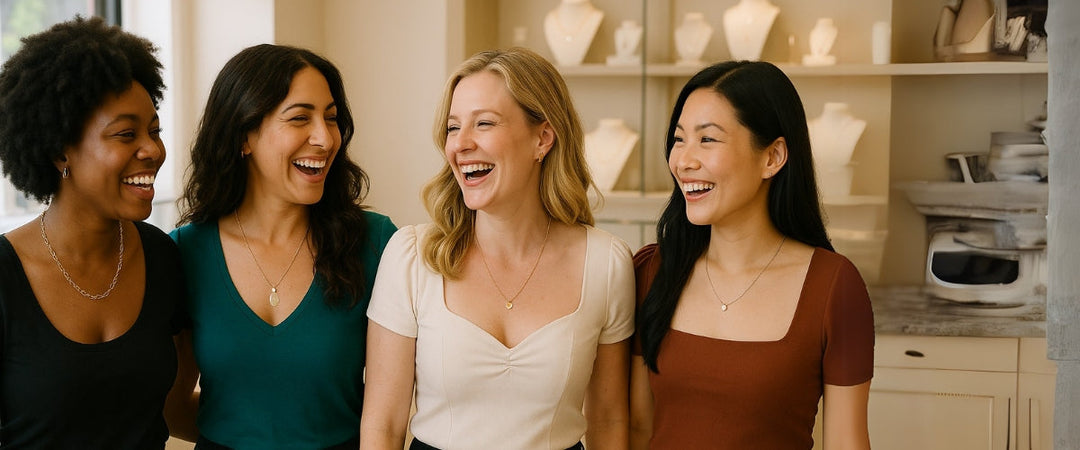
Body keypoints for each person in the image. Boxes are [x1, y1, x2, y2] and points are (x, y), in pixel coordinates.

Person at [360, 47, 634, 450]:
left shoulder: (606, 263)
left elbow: (609, 420)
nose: (460, 144)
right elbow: (383, 425)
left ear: (542, 138)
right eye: (453, 128)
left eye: (483, 123)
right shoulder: (411, 257)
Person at [630, 61, 874, 450]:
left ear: (773, 157)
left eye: (707, 140)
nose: (684, 160)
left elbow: (847, 443)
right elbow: (637, 431)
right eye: (679, 139)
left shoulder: (833, 287)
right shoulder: (652, 272)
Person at [167, 44, 397, 448]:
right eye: (299, 119)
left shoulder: (377, 243)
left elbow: (391, 413)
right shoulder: (183, 253)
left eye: (331, 118)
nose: (325, 138)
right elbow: (171, 403)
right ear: (244, 137)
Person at [0, 16, 183, 448]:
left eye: (154, 130)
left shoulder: (162, 256)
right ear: (60, 151)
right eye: (126, 134)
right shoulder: (5, 276)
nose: (152, 150)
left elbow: (176, 408)